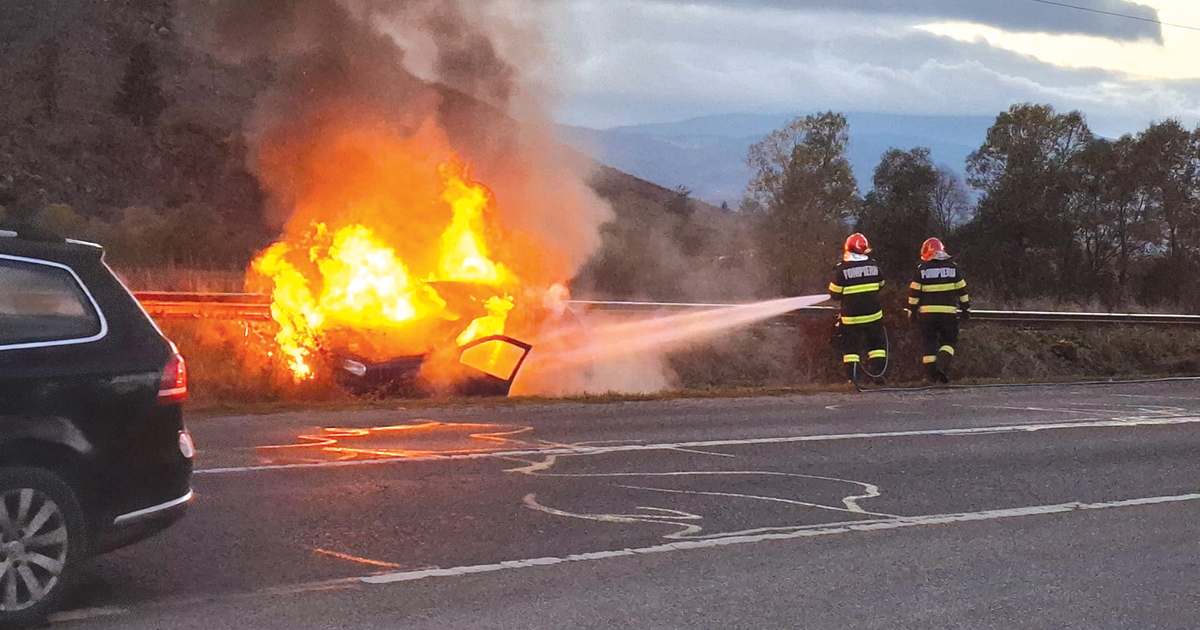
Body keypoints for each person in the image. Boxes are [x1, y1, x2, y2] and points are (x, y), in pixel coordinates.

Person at [907, 237, 970, 383]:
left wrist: (912, 312)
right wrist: (966, 310)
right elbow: (962, 292)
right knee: (949, 341)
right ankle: (942, 366)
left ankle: (929, 376)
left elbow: (914, 294)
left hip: (927, 316)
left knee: (928, 344)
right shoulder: (953, 268)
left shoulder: (922, 270)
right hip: (948, 315)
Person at [829, 232, 887, 385]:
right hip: (873, 315)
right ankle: (877, 374)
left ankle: (853, 378)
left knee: (851, 347)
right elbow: (881, 285)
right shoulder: (874, 265)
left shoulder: (841, 269)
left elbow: (834, 294)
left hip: (851, 318)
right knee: (876, 346)